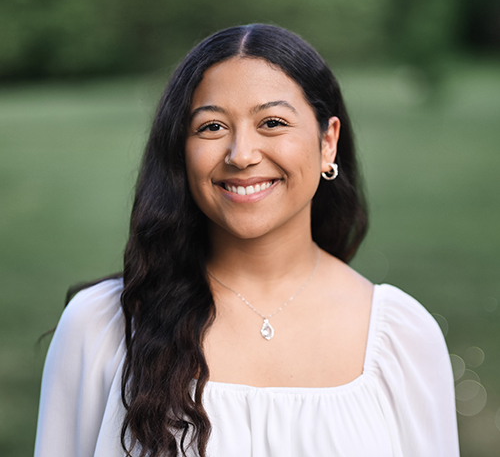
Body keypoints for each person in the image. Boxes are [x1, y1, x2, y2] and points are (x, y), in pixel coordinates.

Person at [34, 24, 459, 457]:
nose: (241, 154)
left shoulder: (402, 339)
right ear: (181, 149)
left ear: (328, 141)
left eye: (272, 122)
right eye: (212, 126)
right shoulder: (100, 328)